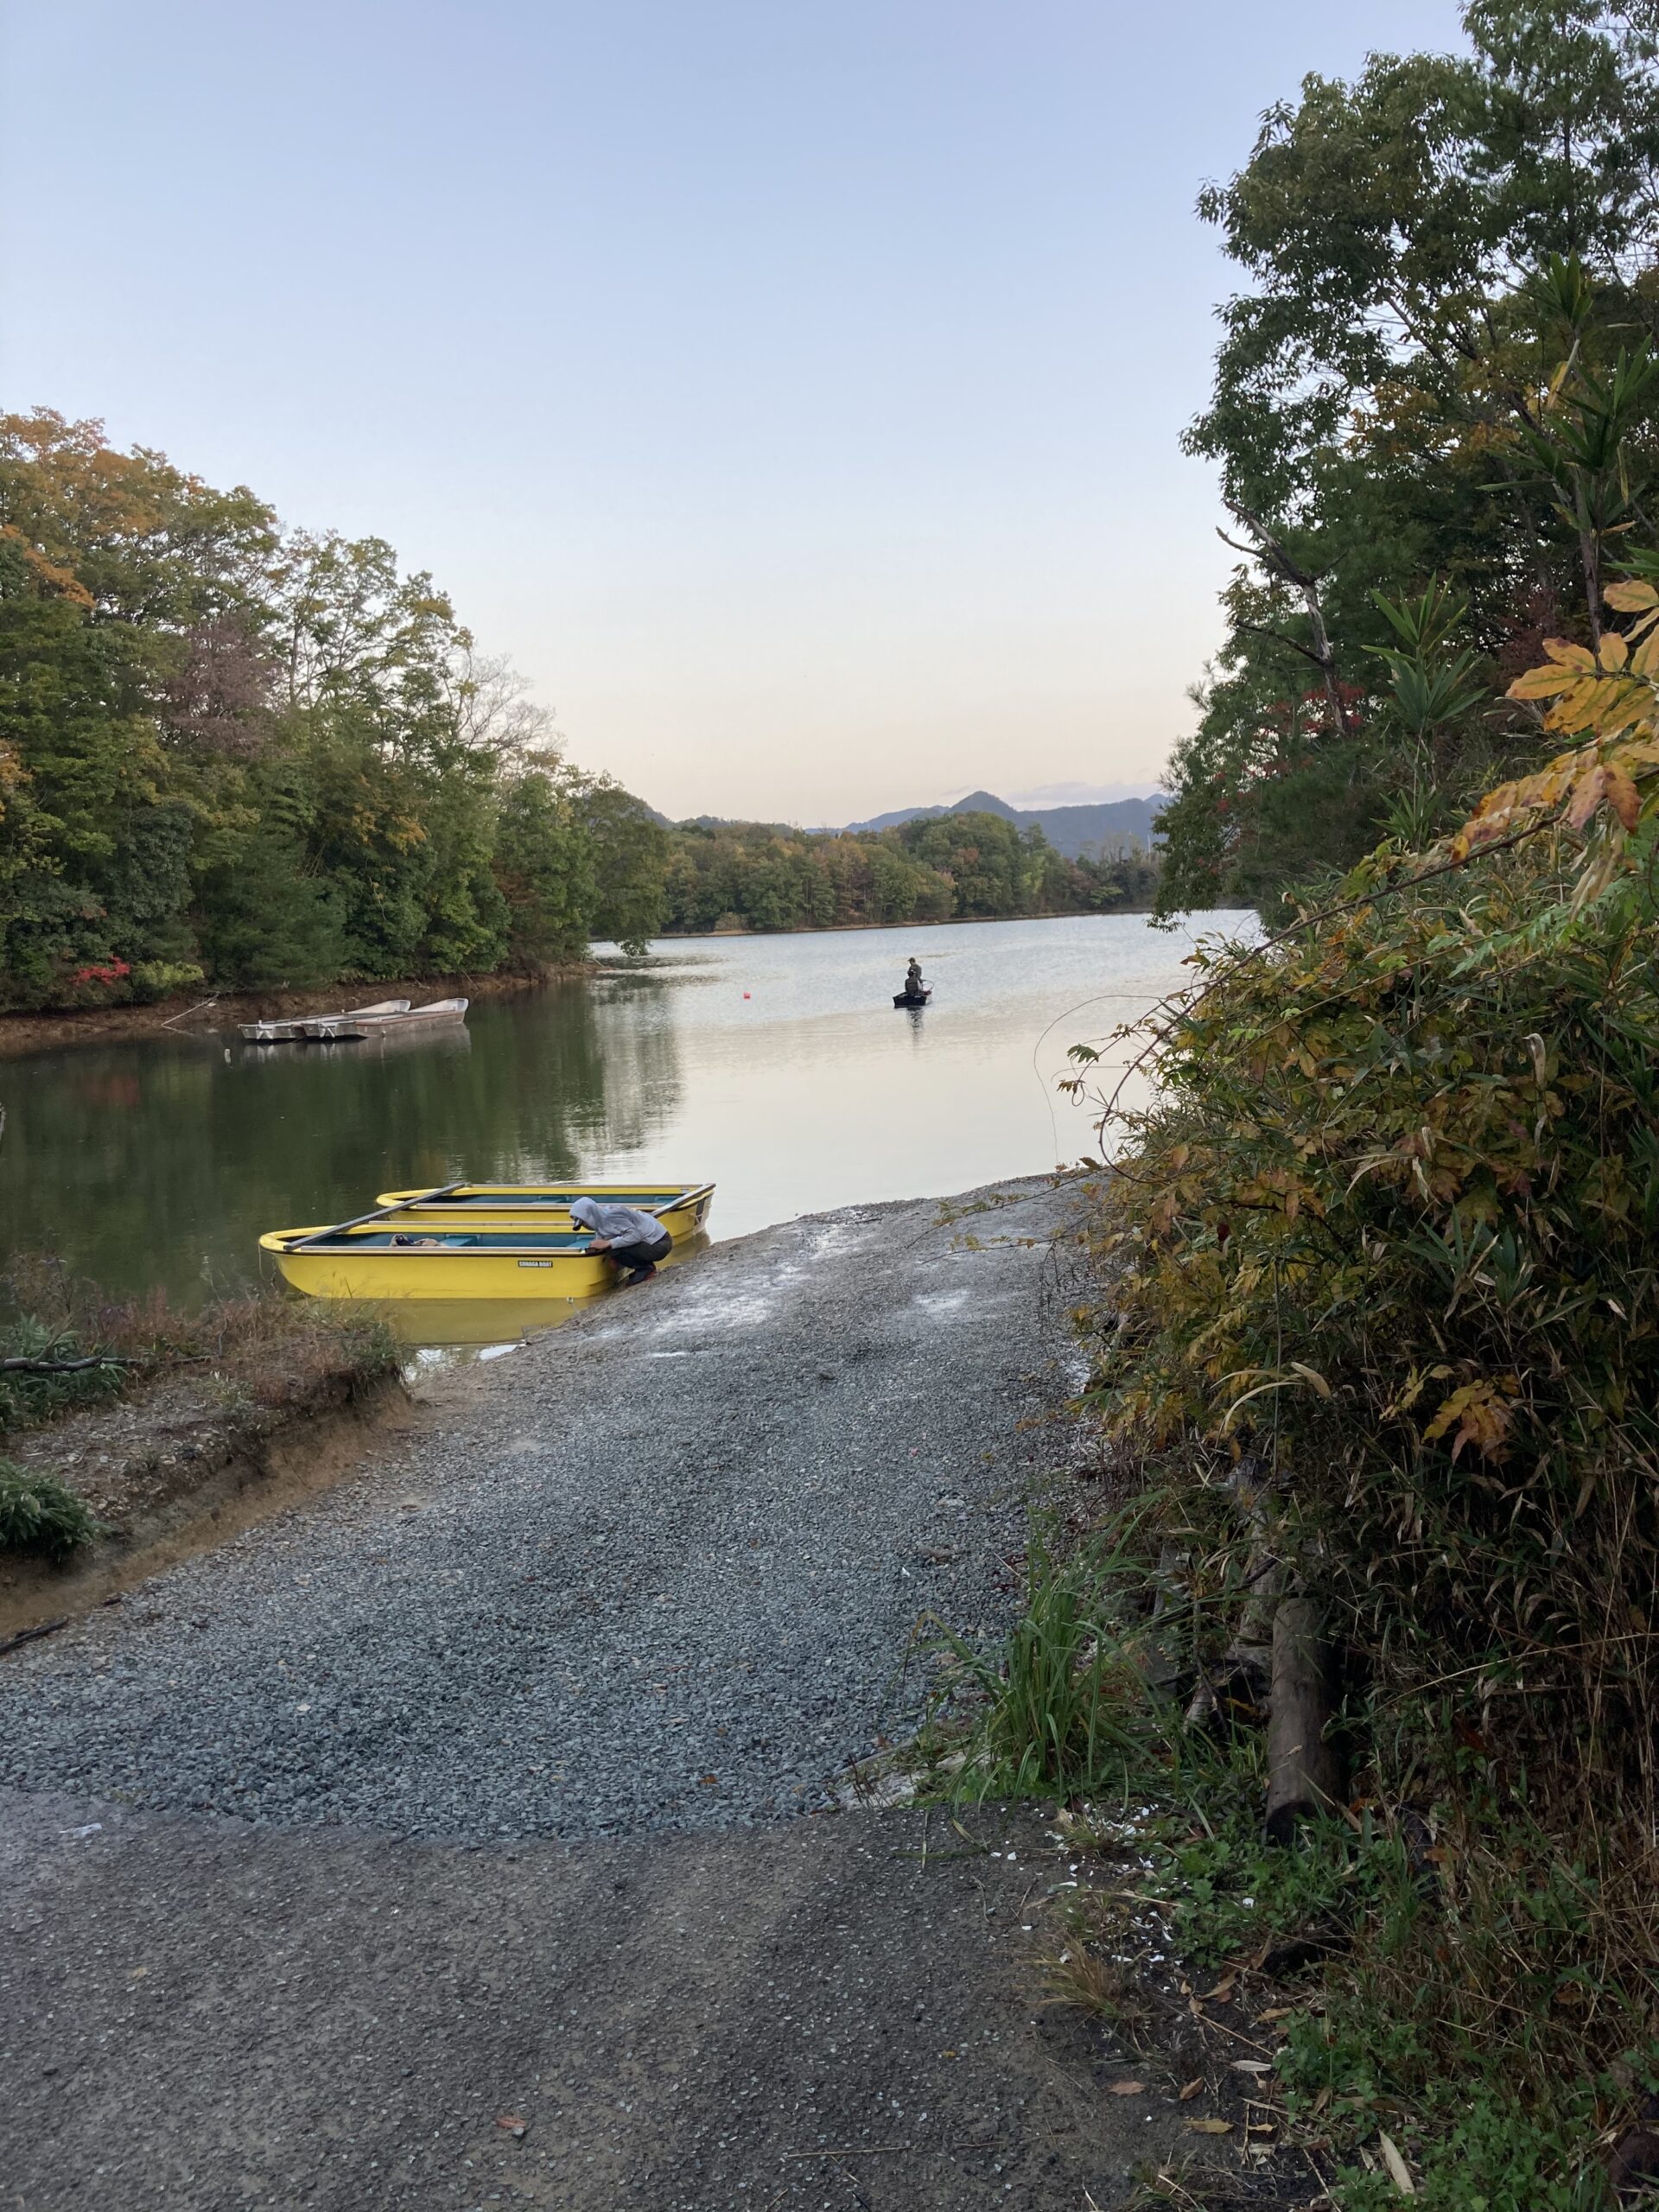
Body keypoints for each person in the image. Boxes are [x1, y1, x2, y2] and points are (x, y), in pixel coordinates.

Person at [570, 1195, 673, 1283]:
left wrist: (609, 1244)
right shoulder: (601, 1221)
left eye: (584, 1222)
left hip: (660, 1244)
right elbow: (604, 1239)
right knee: (611, 1247)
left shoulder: (612, 1216)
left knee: (613, 1247)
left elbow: (635, 1236)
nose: (585, 1226)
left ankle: (646, 1269)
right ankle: (644, 1267)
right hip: (652, 1243)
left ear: (591, 1216)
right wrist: (611, 1256)